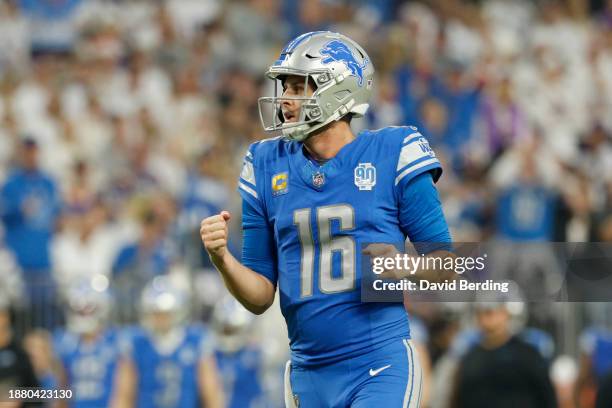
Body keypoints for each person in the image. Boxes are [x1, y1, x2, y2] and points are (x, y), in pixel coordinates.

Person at [201, 31, 451, 407]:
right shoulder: (266, 163)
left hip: (379, 364)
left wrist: (403, 267)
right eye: (285, 86)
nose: (285, 99)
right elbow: (259, 296)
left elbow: (448, 266)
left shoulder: (393, 152)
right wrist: (222, 259)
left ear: (339, 87)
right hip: (308, 372)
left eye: (299, 87)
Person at [113, 276, 224, 408]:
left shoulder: (195, 340)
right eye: (156, 313)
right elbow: (124, 396)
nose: (161, 318)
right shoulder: (137, 342)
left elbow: (211, 394)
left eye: (165, 313)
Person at [450, 302, 557, 408]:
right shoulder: (470, 358)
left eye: (490, 312)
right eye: (481, 313)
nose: (486, 318)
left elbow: (546, 396)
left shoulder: (527, 355)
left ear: (505, 314)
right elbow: (459, 399)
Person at [52, 279, 120, 407]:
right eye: (79, 309)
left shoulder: (115, 341)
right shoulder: (65, 342)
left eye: (88, 309)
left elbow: (124, 389)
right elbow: (61, 389)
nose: (83, 313)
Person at [211, 297, 266, 408]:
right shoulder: (212, 356)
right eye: (226, 330)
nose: (228, 335)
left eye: (232, 330)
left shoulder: (255, 357)